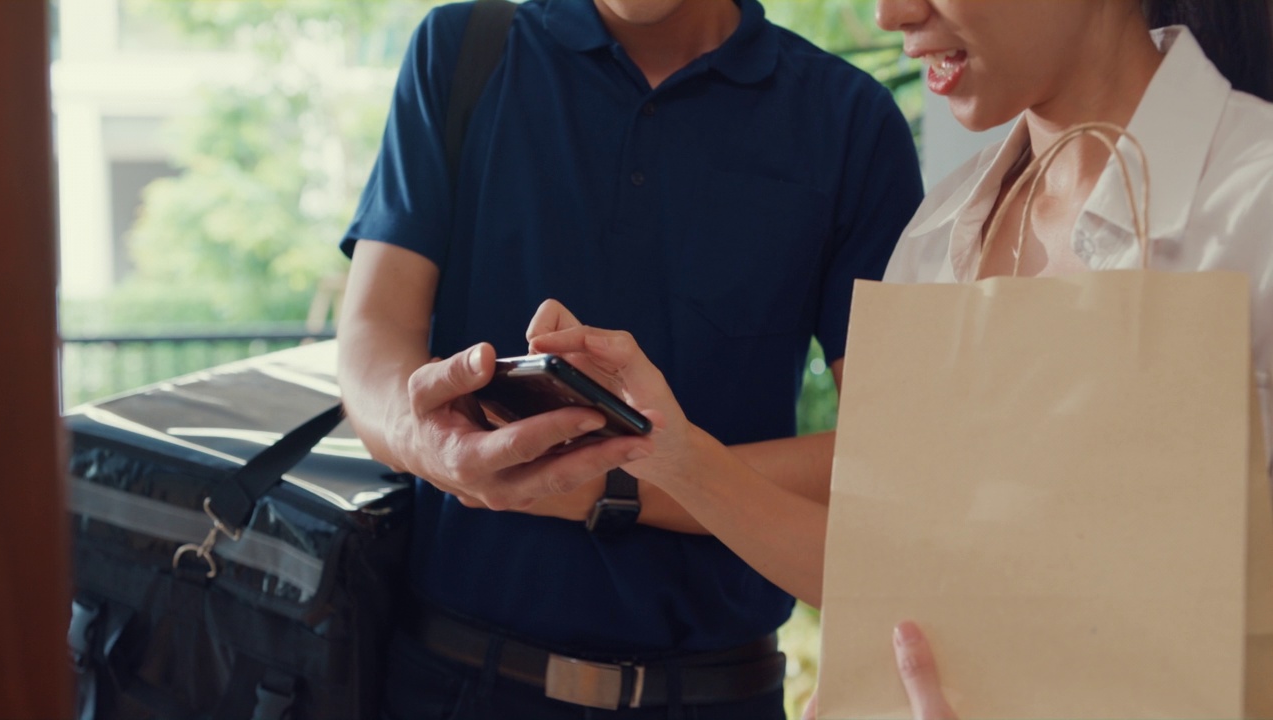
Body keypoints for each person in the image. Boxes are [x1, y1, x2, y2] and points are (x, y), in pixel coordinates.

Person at [522, 0, 1273, 717]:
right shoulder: (939, 234)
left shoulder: (1253, 206)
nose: (890, 16)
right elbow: (896, 564)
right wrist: (673, 455)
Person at [335, 0, 924, 716]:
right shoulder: (464, 50)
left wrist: (603, 487)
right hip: (453, 681)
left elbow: (890, 465)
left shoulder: (849, 121)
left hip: (718, 692)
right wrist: (429, 442)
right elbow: (370, 342)